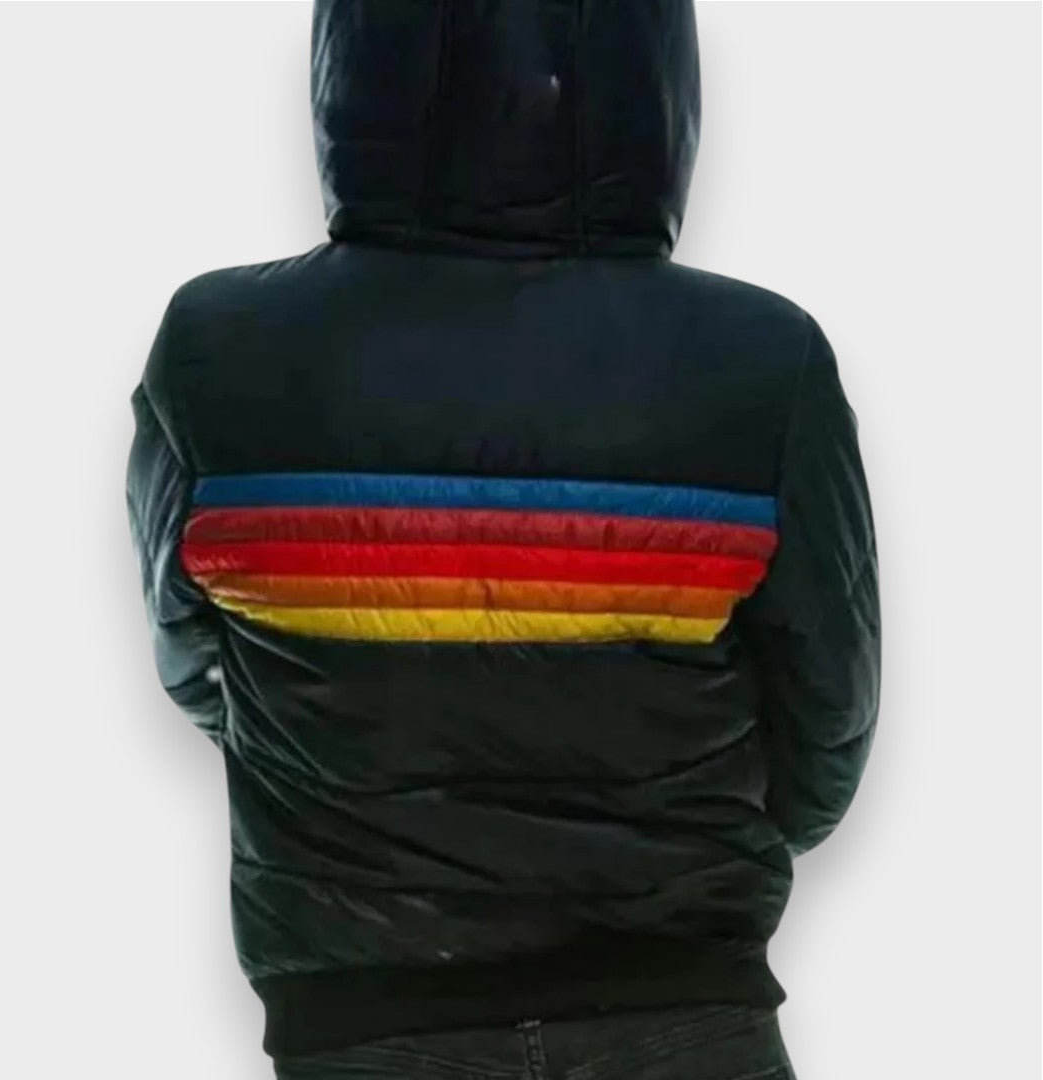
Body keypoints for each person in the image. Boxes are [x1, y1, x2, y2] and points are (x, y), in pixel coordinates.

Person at [125, 1, 881, 1077]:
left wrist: (355, 769)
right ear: (656, 75)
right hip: (682, 1007)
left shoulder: (217, 352)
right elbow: (828, 722)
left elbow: (196, 669)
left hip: (362, 1021)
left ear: (353, 64)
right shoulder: (764, 365)